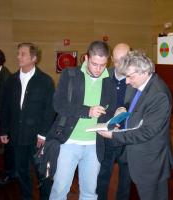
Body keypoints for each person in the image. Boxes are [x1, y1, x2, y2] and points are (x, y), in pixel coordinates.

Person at [97, 50, 173, 200]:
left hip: (151, 162)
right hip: (136, 156)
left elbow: (146, 132)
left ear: (144, 72)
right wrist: (123, 108)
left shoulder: (159, 94)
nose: (126, 81)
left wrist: (113, 135)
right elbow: (133, 105)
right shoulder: (139, 84)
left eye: (130, 76)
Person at [49, 41, 117, 200]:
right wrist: (88, 110)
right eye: (94, 64)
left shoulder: (109, 80)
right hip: (69, 143)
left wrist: (113, 120)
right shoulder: (70, 74)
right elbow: (58, 104)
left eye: (103, 65)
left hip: (94, 145)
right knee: (60, 189)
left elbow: (111, 110)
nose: (99, 70)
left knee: (89, 193)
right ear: (86, 58)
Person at [0, 43, 55, 200]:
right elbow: (5, 107)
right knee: (21, 170)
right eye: (18, 53)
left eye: (23, 54)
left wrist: (43, 134)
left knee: (41, 171)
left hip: (37, 138)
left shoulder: (45, 81)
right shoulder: (10, 81)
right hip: (17, 136)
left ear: (34, 58)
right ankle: (26, 196)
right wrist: (3, 130)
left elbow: (49, 110)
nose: (18, 57)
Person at [97, 43, 132, 200]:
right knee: (102, 177)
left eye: (124, 60)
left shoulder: (137, 78)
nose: (120, 65)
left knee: (125, 180)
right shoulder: (103, 76)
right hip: (107, 136)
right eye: (117, 61)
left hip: (128, 137)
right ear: (111, 59)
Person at [0, 49, 12, 184]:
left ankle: (8, 174)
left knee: (5, 150)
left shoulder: (6, 76)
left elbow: (4, 103)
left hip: (2, 119)